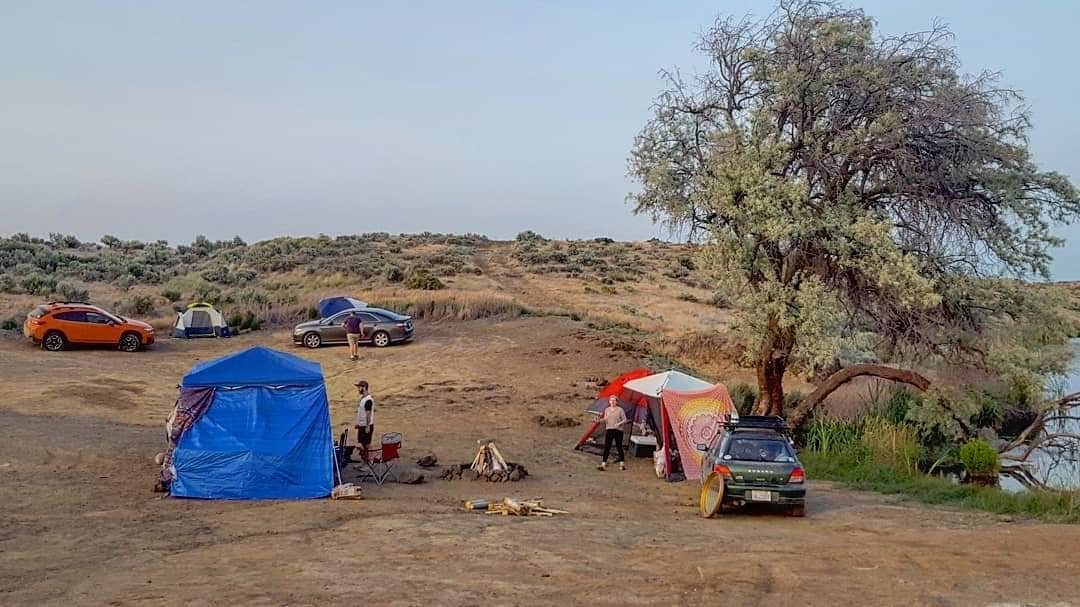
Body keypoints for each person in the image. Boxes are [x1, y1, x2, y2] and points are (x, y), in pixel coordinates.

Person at [598, 395, 627, 471]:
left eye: (614, 400)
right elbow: (605, 419)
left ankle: (622, 463)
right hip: (609, 429)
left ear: (617, 402)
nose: (612, 402)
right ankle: (603, 463)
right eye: (611, 400)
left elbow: (625, 420)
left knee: (619, 446)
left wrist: (619, 424)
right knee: (607, 446)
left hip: (618, 430)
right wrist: (599, 420)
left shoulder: (620, 409)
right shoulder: (607, 409)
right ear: (609, 401)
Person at [354, 380, 375, 457]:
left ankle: (371, 459)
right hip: (362, 425)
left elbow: (368, 414)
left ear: (364, 388)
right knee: (363, 443)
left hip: (366, 426)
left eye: (359, 387)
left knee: (367, 444)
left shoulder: (368, 400)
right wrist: (359, 424)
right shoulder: (363, 398)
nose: (358, 389)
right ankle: (366, 460)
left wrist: (367, 426)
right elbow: (361, 412)